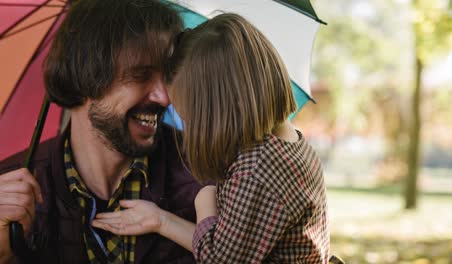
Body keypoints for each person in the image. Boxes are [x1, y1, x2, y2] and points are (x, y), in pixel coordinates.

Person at [92, 13, 330, 263]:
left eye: (193, 117)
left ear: (227, 103)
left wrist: (205, 205)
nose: (192, 127)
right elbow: (229, 245)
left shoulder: (255, 173)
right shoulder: (290, 147)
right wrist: (161, 221)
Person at [0, 0, 203, 263]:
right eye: (141, 75)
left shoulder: (202, 168)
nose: (165, 97)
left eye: (167, 74)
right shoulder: (15, 187)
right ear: (83, 76)